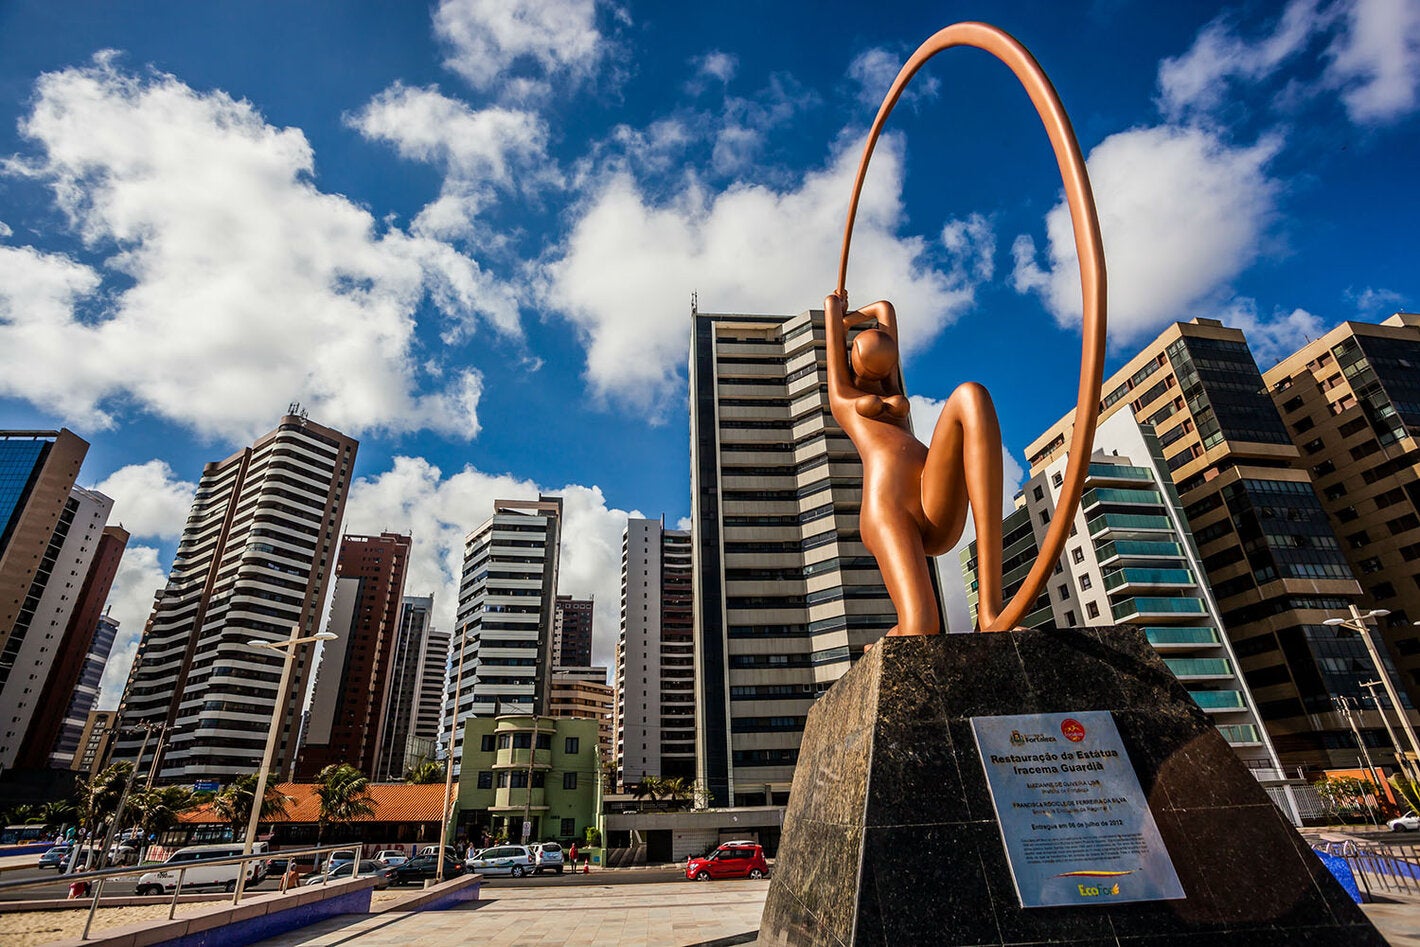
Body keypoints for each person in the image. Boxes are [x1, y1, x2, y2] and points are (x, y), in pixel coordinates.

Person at [823, 293, 1006, 633]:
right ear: (851, 359)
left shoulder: (893, 386)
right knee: (921, 626)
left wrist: (849, 318)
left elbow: (885, 309)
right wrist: (836, 314)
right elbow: (834, 338)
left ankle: (991, 610)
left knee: (971, 395)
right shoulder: (843, 398)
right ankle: (887, 640)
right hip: (889, 509)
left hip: (929, 492)